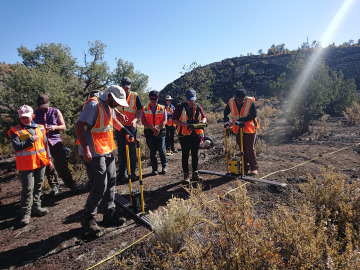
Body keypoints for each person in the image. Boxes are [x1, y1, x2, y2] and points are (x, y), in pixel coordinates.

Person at [75, 85, 132, 235]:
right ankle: (88, 218)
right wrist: (86, 149)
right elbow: (79, 125)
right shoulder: (94, 105)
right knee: (100, 184)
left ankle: (109, 213)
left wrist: (125, 131)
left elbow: (111, 121)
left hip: (106, 149)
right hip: (93, 152)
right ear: (110, 96)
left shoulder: (109, 106)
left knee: (112, 180)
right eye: (118, 101)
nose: (119, 104)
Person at [8, 105, 52, 226]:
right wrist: (30, 139)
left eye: (27, 117)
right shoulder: (15, 131)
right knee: (28, 189)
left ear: (32, 116)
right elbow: (17, 146)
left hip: (41, 162)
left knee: (38, 187)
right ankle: (26, 213)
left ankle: (36, 208)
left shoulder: (40, 128)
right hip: (25, 165)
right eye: (22, 117)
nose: (25, 119)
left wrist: (49, 159)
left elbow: (45, 144)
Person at [34, 94, 78, 195]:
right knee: (47, 165)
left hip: (55, 141)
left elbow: (63, 126)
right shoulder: (34, 114)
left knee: (61, 164)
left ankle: (71, 184)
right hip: (41, 143)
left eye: (45, 107)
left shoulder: (55, 111)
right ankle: (54, 186)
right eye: (41, 107)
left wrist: (54, 128)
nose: (43, 109)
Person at [173, 89, 207, 183]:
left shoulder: (198, 106)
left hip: (196, 134)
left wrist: (203, 122)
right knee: (185, 154)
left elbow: (204, 117)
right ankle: (186, 175)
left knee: (195, 154)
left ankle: (195, 173)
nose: (191, 101)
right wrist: (186, 125)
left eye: (192, 99)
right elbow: (174, 120)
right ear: (186, 98)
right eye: (189, 99)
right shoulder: (180, 107)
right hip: (184, 135)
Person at [223, 88, 259, 175]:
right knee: (242, 148)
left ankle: (254, 168)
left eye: (242, 100)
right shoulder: (231, 102)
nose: (241, 102)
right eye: (239, 100)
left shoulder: (250, 102)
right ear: (236, 98)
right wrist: (227, 120)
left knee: (249, 148)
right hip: (238, 128)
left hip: (249, 127)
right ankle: (245, 168)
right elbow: (225, 112)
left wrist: (242, 120)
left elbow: (254, 114)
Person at [115, 77, 143, 182]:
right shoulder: (116, 95)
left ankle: (132, 173)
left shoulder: (135, 96)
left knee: (131, 150)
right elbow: (111, 107)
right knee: (121, 151)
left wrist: (135, 120)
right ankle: (122, 173)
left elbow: (139, 110)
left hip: (131, 128)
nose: (126, 89)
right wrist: (118, 114)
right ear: (120, 85)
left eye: (127, 87)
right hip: (119, 127)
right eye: (124, 87)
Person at [141, 91, 168, 175]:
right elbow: (143, 121)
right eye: (152, 99)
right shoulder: (144, 108)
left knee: (161, 149)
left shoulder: (162, 108)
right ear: (149, 98)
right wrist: (153, 128)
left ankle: (164, 166)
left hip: (160, 131)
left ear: (158, 99)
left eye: (155, 99)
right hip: (149, 132)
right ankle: (154, 169)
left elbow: (165, 120)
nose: (153, 101)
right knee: (152, 151)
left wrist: (158, 129)